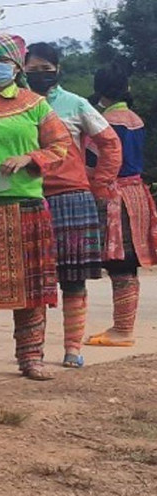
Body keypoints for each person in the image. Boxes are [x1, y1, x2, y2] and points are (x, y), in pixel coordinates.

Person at [0, 32, 68, 381]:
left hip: (27, 205)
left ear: (17, 67)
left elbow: (61, 146)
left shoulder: (35, 104)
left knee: (32, 287)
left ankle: (31, 357)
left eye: (4, 61)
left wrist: (28, 157)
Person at [23, 43, 122, 366]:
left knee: (73, 279)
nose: (40, 75)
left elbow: (110, 143)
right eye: (33, 70)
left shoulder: (75, 104)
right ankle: (32, 351)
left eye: (45, 68)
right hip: (28, 196)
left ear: (58, 69)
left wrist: (99, 183)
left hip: (71, 197)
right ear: (23, 70)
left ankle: (72, 348)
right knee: (34, 281)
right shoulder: (17, 103)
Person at [86, 64, 157, 347]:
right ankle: (123, 325)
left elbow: (93, 162)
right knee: (130, 261)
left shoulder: (104, 121)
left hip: (114, 194)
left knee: (119, 261)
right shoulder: (135, 118)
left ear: (99, 90)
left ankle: (123, 330)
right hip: (137, 192)